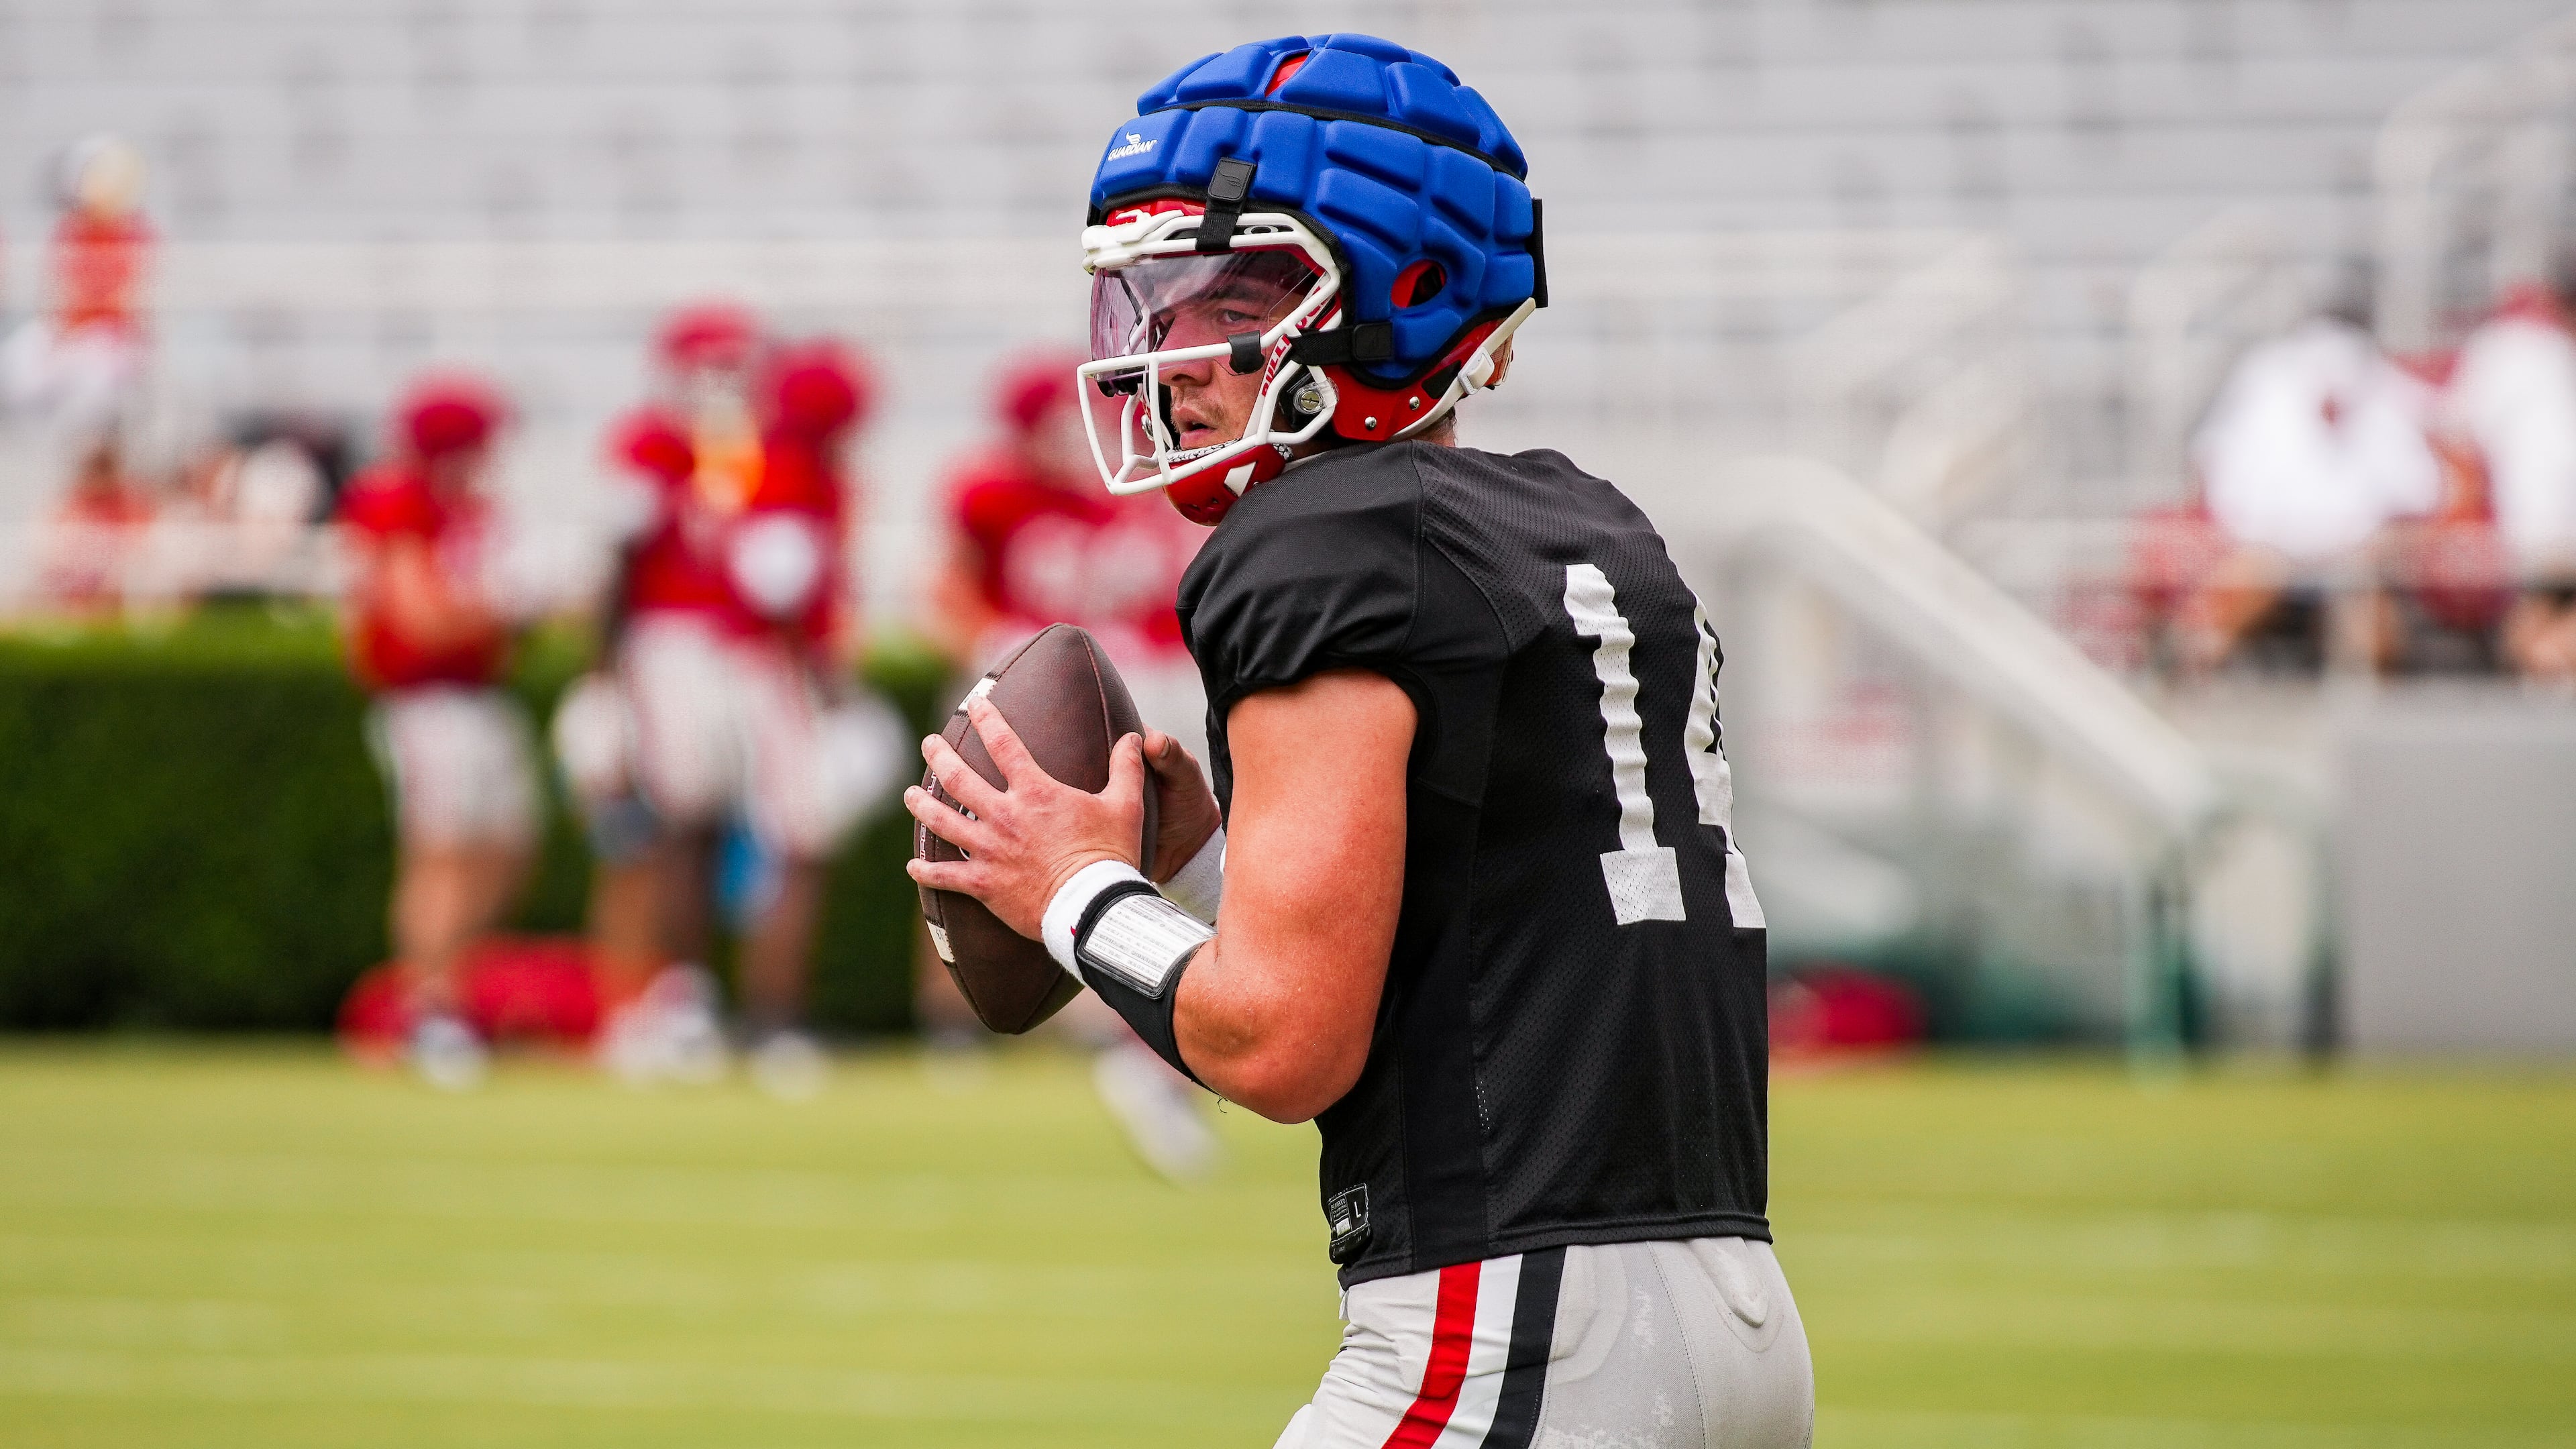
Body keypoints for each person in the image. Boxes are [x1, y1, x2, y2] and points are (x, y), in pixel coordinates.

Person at [907, 35, 1811, 1448]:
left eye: (1234, 289)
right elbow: (1473, 944)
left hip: (1506, 1331)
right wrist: (1208, 885)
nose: (1166, 350)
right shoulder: (1589, 524)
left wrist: (1072, 892)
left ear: (1400, 294)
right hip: (1734, 1313)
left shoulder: (1323, 541)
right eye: (1149, 296)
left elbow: (1281, 1043)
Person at [555, 307, 896, 1095]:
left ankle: (753, 1014)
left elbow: (780, 586)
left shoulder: (771, 458)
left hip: (743, 657)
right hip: (693, 653)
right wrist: (603, 674)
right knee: (692, 829)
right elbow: (628, 564)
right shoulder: (668, 448)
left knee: (754, 833)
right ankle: (699, 1008)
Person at [924, 348, 1219, 1180]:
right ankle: (957, 1018)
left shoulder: (1144, 491)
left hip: (1145, 692)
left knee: (1157, 859)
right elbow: (946, 590)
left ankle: (1146, 1037)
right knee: (962, 843)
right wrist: (991, 653)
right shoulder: (996, 494)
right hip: (1024, 707)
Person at [338, 375, 539, 1091]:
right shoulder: (399, 501)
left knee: (508, 847)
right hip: (426, 701)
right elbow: (419, 618)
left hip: (479, 695)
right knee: (440, 853)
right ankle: (428, 1006)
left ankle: (448, 987)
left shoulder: (470, 509)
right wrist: (500, 608)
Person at [2175, 294, 2442, 674]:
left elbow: (2420, 500)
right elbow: (2217, 477)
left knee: (2370, 624)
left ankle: (2365, 719)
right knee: (2230, 600)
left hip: (2355, 566)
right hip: (2267, 555)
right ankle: (2180, 693)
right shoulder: (2267, 377)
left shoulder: (2384, 390)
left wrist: (2372, 549)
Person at [2438, 270, 2576, 683]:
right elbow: (2458, 439)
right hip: (2535, 521)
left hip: (2537, 521)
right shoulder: (2515, 347)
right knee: (2539, 616)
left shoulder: (2508, 346)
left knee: (2542, 623)